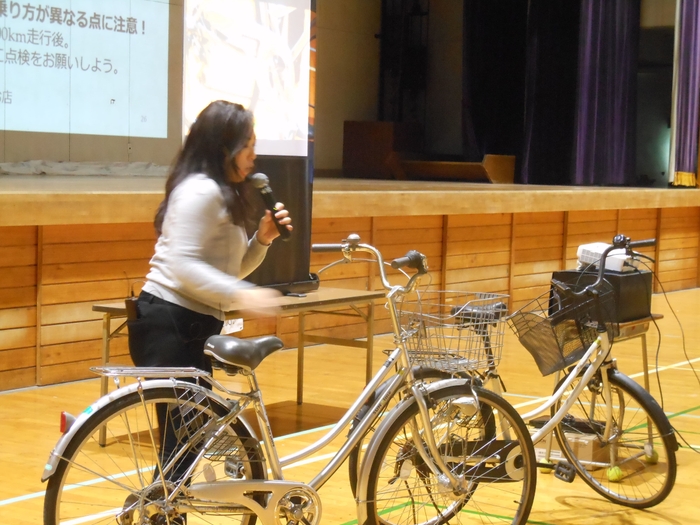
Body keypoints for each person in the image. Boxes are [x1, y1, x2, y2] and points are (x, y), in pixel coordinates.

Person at [126, 100, 292, 495]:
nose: (254, 155)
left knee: (186, 445)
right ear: (224, 148)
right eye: (247, 145)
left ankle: (162, 514)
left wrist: (262, 240)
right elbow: (184, 267)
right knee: (185, 442)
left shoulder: (218, 192)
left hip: (189, 324)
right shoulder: (200, 192)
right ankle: (159, 514)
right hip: (169, 323)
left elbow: (223, 271)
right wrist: (245, 296)